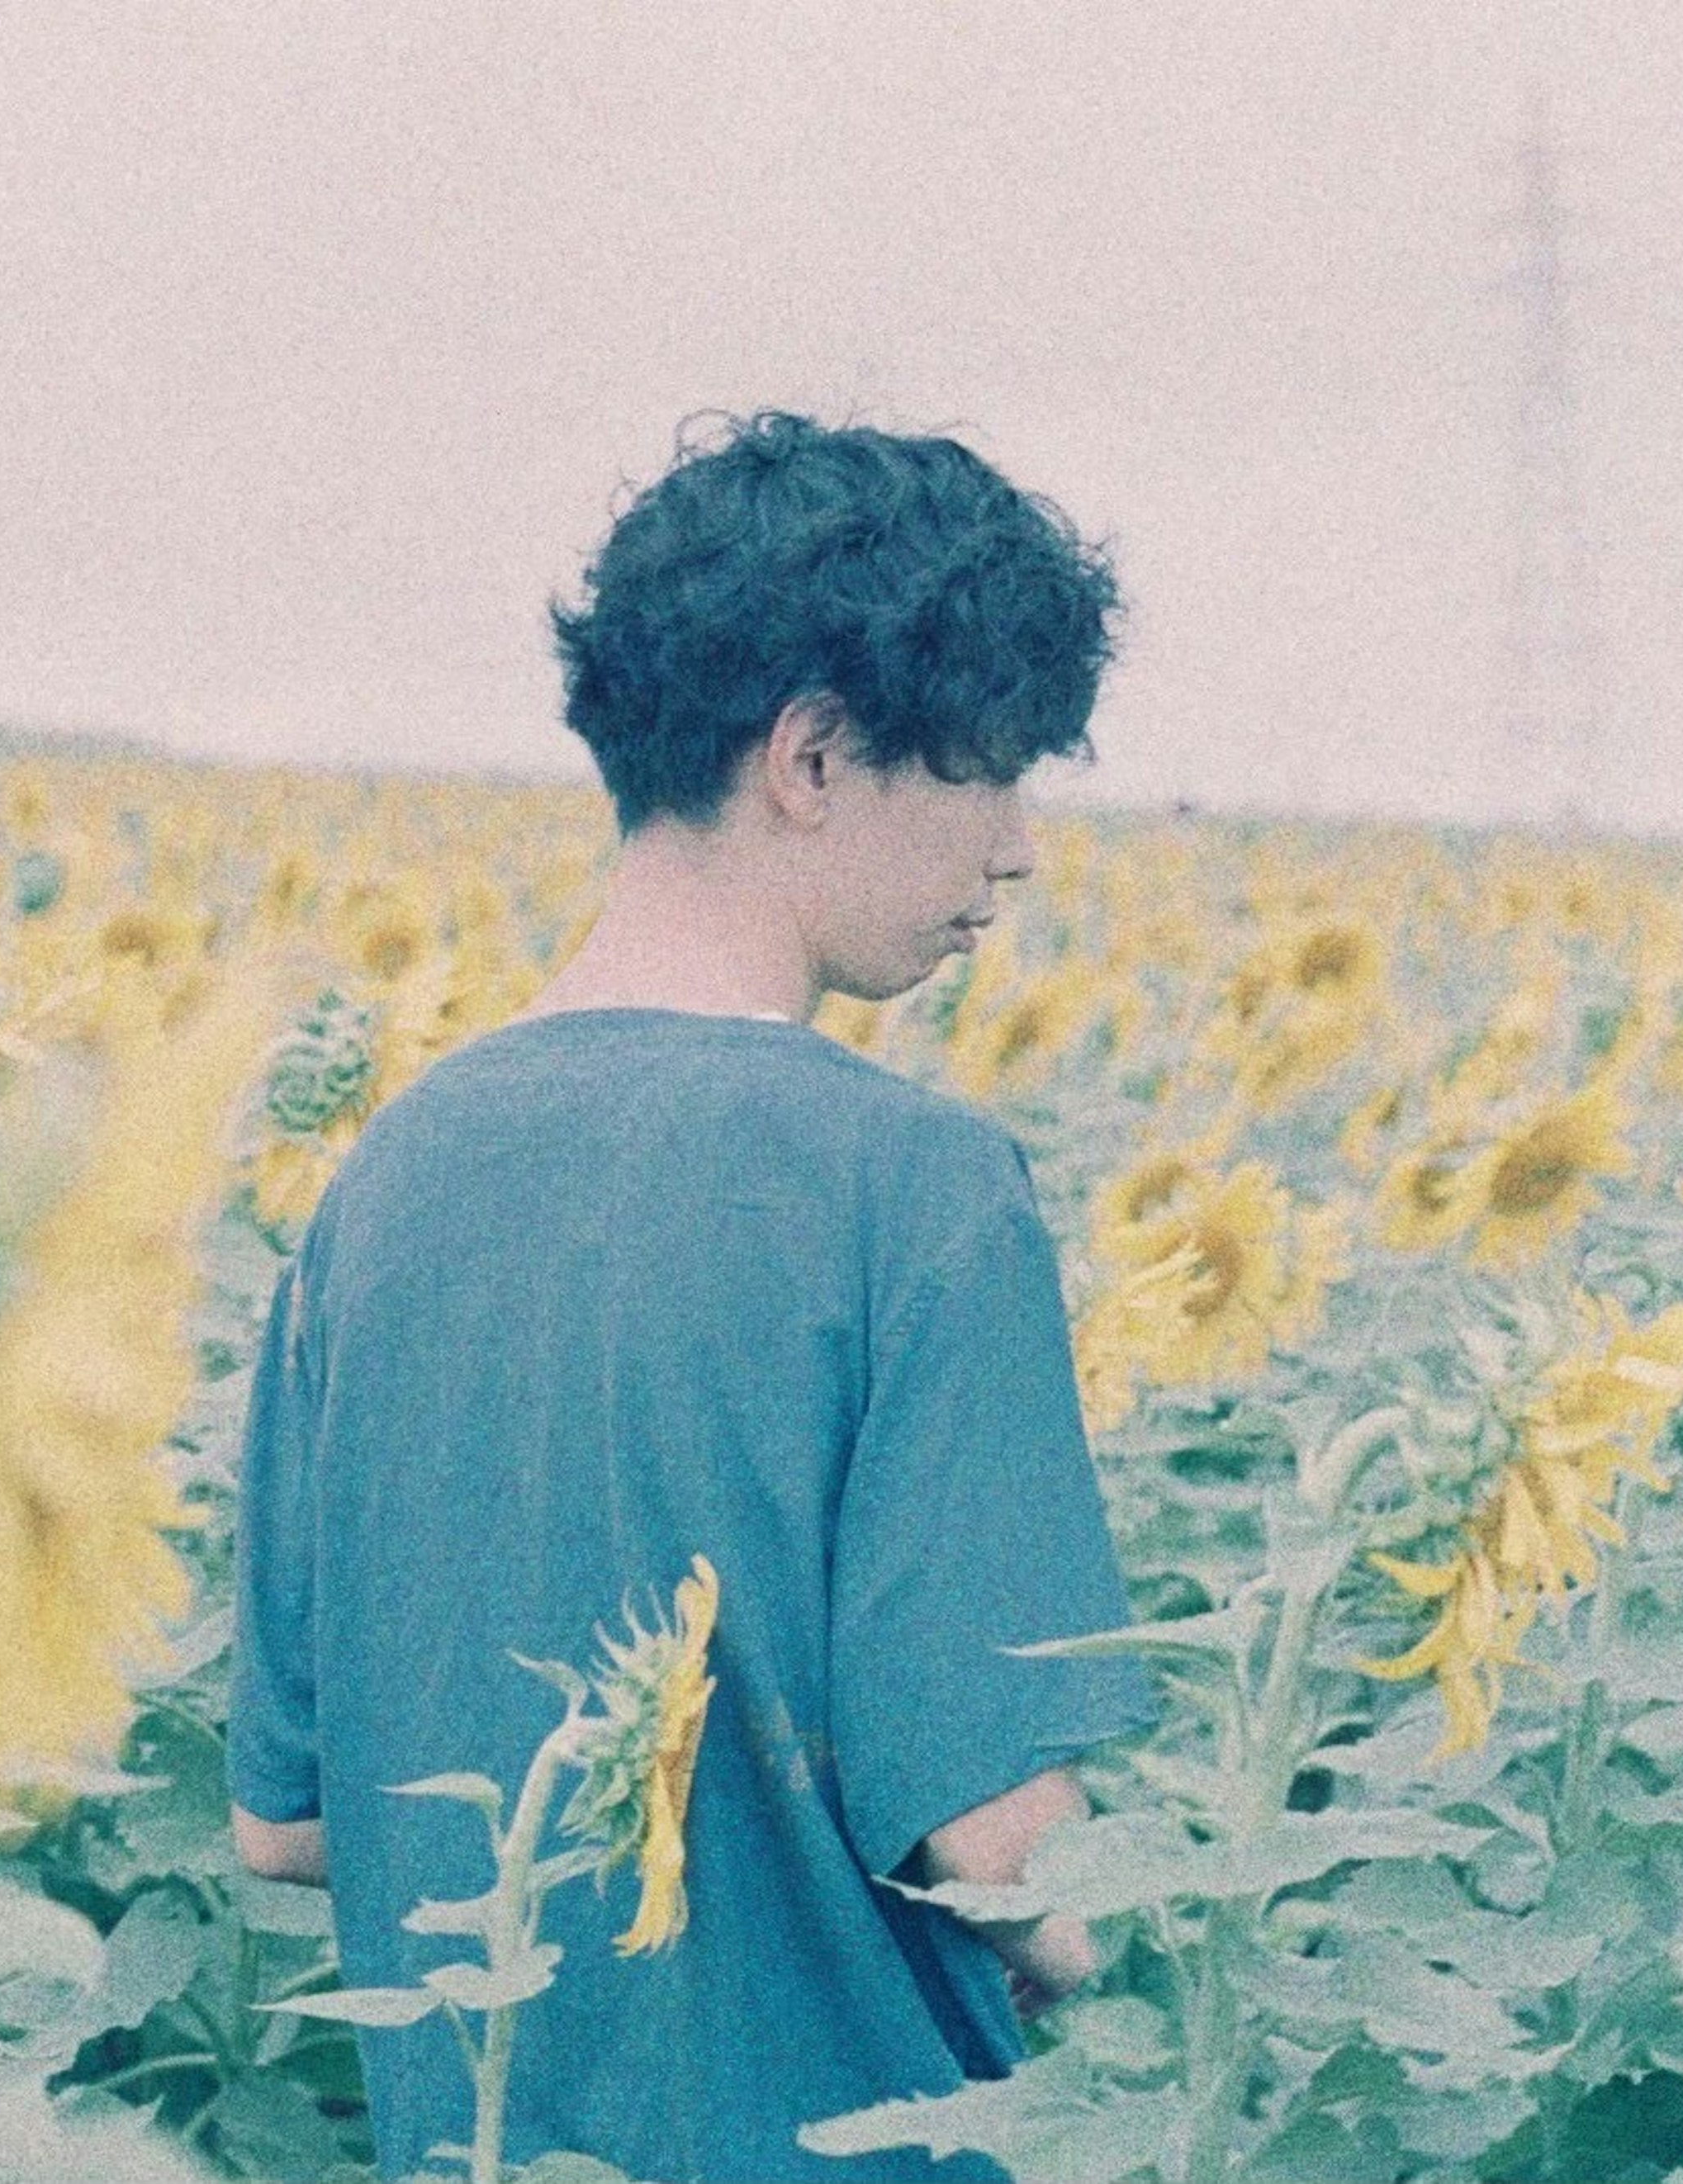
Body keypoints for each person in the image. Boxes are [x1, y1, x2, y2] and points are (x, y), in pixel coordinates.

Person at [225, 410, 1159, 2182]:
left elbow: (286, 1824)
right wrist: (1141, 1994)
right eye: (991, 769)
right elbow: (992, 1824)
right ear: (811, 755)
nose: (1019, 847)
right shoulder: (913, 1188)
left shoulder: (380, 1187)